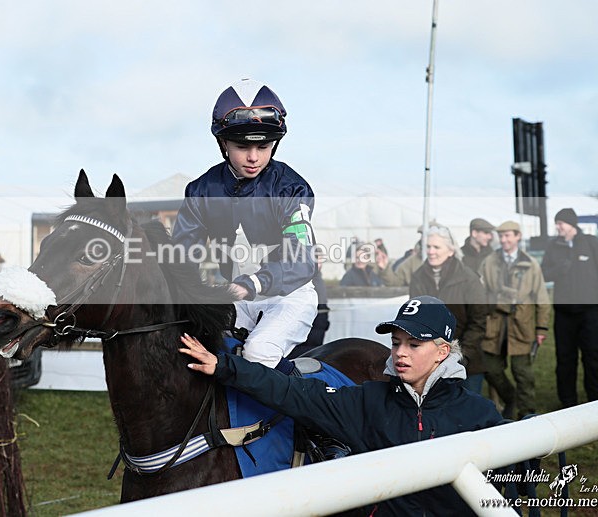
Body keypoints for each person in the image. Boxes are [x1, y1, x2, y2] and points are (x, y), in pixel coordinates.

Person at [180, 295, 503, 516]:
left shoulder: (479, 415)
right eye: (396, 343)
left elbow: (505, 492)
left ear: (442, 351)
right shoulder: (367, 401)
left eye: (414, 345)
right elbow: (293, 392)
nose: (400, 353)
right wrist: (223, 366)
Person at [172, 79, 317, 373]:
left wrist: (251, 284)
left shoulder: (292, 189)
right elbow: (181, 255)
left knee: (257, 352)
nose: (253, 157)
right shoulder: (201, 190)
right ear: (222, 143)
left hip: (288, 296)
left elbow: (300, 259)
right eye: (242, 147)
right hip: (233, 297)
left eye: (263, 146)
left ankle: (301, 409)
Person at [541, 208, 598, 407]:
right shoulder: (553, 246)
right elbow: (544, 273)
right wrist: (559, 269)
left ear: (571, 225)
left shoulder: (590, 243)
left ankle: (595, 398)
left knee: (592, 355)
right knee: (565, 359)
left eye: (561, 223)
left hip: (589, 312)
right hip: (564, 314)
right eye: (557, 223)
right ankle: (568, 402)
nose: (558, 227)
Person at [479, 221, 550, 419]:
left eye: (508, 235)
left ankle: (527, 413)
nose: (504, 240)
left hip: (521, 326)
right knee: (491, 369)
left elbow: (542, 298)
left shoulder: (531, 264)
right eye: (501, 236)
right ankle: (509, 398)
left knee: (523, 374)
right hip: (495, 325)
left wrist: (541, 329)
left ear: (518, 236)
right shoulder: (489, 262)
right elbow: (481, 292)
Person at [410, 224, 488, 394]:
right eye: (428, 246)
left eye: (436, 247)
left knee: (468, 413)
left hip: (467, 361)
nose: (431, 251)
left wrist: (460, 356)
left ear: (450, 251)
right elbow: (415, 319)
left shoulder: (469, 279)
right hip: (429, 362)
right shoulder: (418, 277)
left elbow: (478, 322)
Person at [288, 248, 330, 359]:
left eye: (321, 260)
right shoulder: (305, 277)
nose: (319, 263)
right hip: (309, 321)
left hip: (317, 322)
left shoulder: (317, 278)